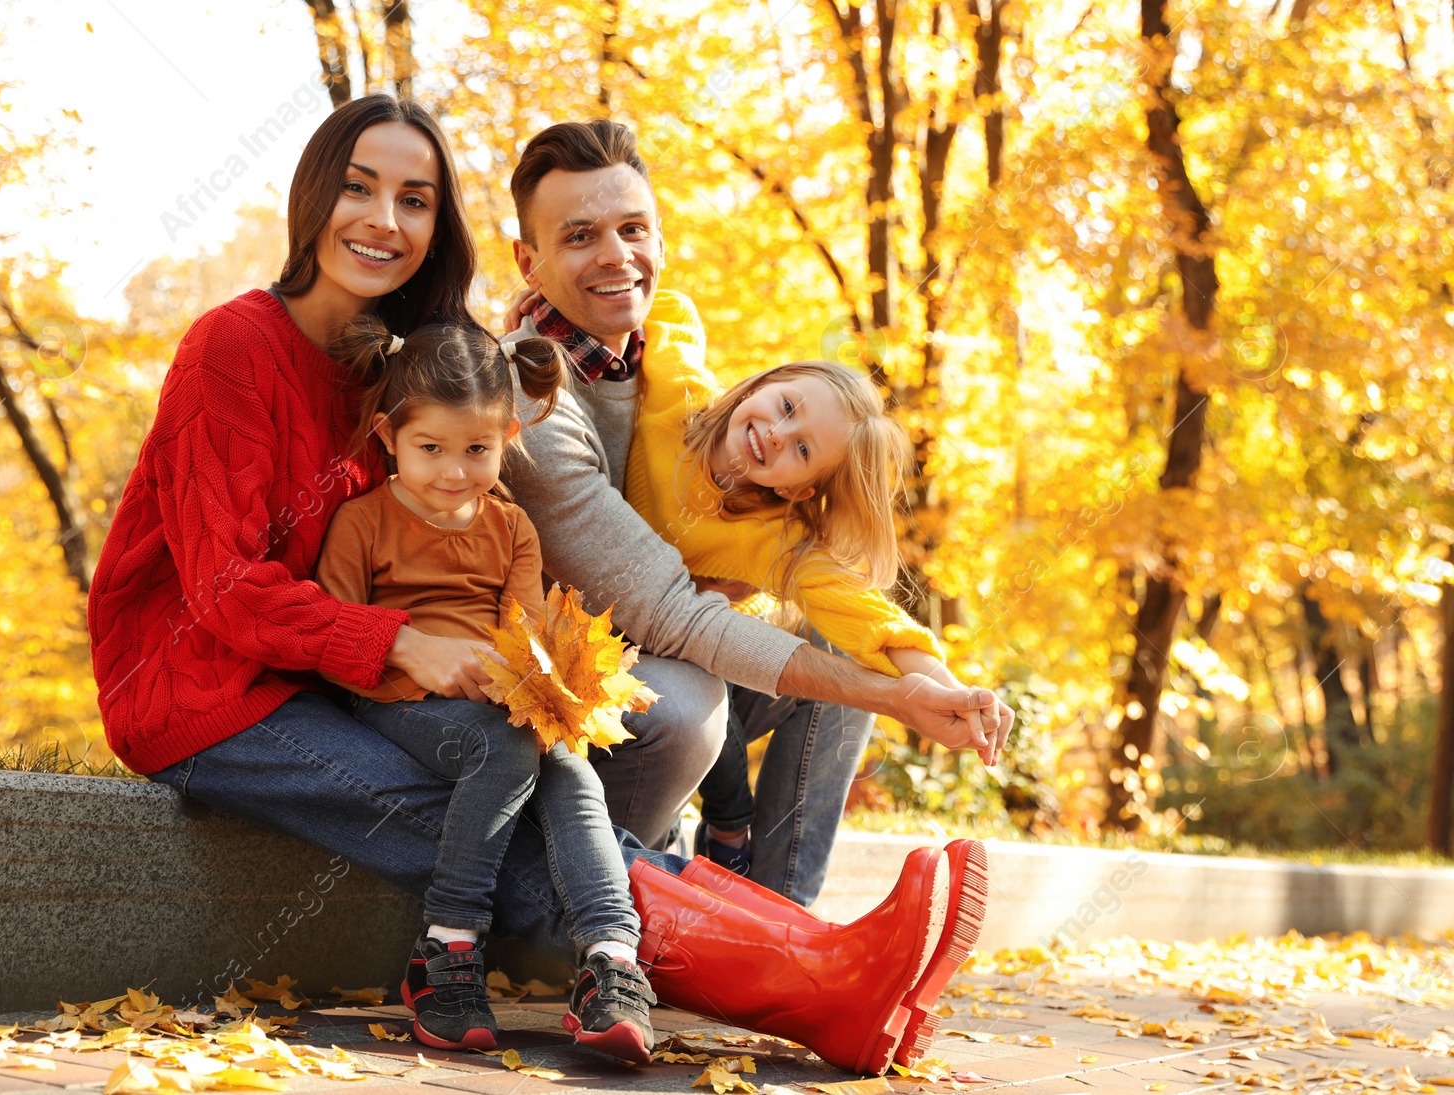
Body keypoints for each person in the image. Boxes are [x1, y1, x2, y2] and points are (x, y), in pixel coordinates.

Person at [88, 94, 985, 1077]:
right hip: (211, 697)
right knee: (506, 819)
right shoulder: (236, 346)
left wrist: (908, 673)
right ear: (312, 199)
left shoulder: (412, 364)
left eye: (415, 199)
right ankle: (821, 981)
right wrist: (401, 644)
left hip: (344, 680)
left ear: (439, 226)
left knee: (550, 780)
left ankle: (822, 954)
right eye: (359, 189)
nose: (384, 220)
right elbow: (221, 590)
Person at [501, 118, 1017, 906]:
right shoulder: (544, 390)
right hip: (570, 665)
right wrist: (891, 694)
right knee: (688, 705)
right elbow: (669, 609)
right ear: (528, 259)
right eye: (579, 235)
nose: (615, 255)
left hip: (670, 631)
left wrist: (939, 688)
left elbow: (864, 610)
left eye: (633, 229)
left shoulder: (752, 497)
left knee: (840, 654)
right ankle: (605, 902)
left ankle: (784, 911)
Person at [311, 321, 656, 1060]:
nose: (452, 471)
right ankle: (447, 945)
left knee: (570, 771)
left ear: (505, 436)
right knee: (504, 744)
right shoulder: (361, 522)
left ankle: (611, 959)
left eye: (476, 450)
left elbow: (524, 633)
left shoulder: (512, 528)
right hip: (399, 700)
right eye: (429, 448)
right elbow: (336, 648)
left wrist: (543, 680)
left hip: (502, 707)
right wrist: (423, 659)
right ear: (388, 436)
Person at [622, 354, 997, 876]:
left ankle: (780, 906)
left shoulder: (774, 538)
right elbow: (666, 306)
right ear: (763, 380)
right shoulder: (676, 394)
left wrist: (954, 692)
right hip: (613, 660)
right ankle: (723, 840)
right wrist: (542, 301)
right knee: (697, 675)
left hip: (690, 662)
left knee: (844, 654)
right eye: (786, 406)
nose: (777, 433)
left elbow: (869, 620)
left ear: (797, 489)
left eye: (801, 449)